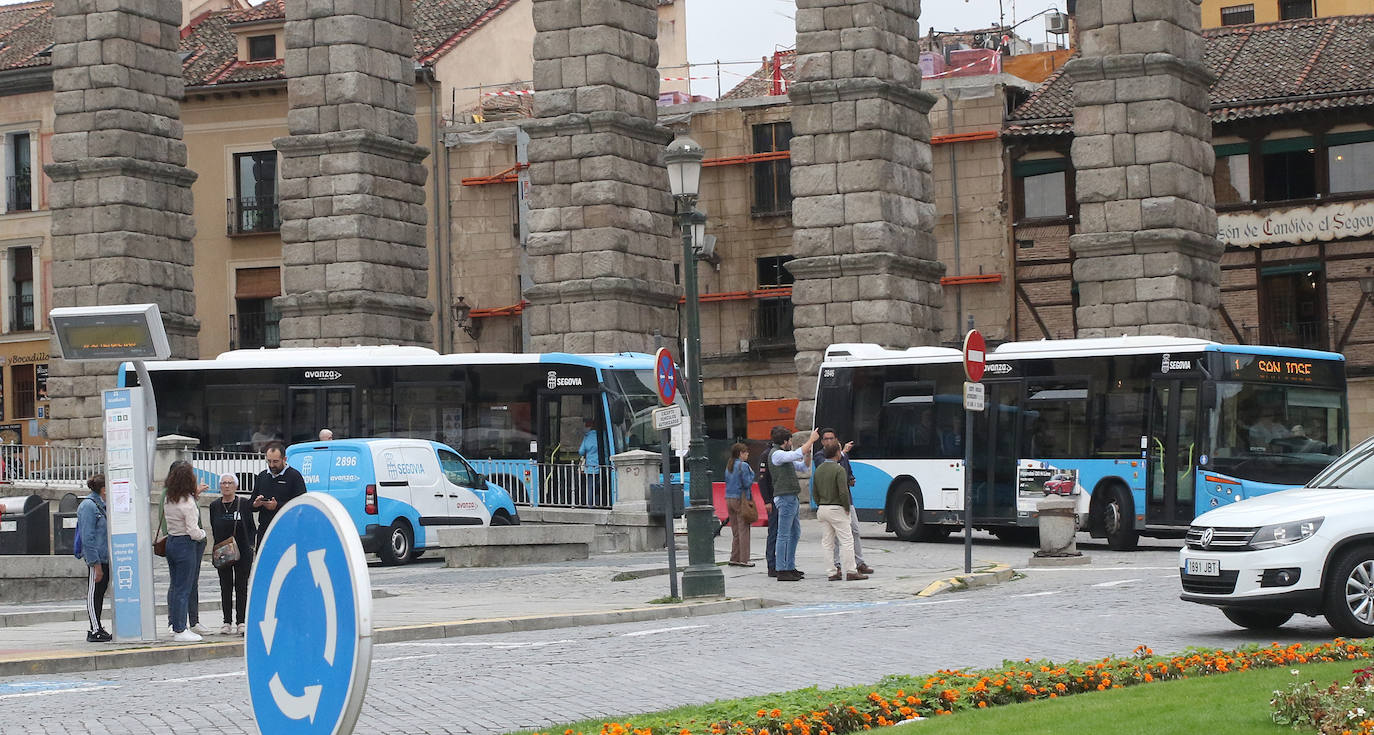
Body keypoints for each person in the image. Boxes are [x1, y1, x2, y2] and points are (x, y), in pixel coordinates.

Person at [813, 428, 874, 576]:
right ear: (822, 442)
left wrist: (820, 503)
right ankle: (849, 570)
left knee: (832, 540)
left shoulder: (822, 468)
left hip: (825, 508)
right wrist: (845, 506)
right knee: (845, 540)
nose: (829, 441)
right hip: (839, 506)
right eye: (826, 439)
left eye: (831, 438)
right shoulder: (823, 458)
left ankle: (833, 572)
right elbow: (842, 490)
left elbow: (815, 491)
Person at [164, 463, 208, 642]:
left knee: (175, 586)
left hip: (171, 541)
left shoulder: (169, 498)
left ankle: (175, 624)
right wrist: (203, 534)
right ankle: (181, 628)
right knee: (184, 587)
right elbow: (193, 530)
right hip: (185, 544)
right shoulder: (188, 503)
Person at [769, 425, 818, 582]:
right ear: (785, 441)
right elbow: (797, 454)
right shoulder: (776, 454)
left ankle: (790, 566)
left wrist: (808, 454)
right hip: (784, 498)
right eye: (790, 440)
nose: (791, 442)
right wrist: (810, 440)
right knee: (783, 535)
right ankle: (782, 569)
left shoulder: (784, 456)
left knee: (794, 533)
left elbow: (803, 467)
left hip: (792, 498)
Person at [210, 474, 256, 636]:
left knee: (241, 586)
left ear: (235, 486)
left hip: (242, 551)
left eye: (230, 483)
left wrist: (250, 546)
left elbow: (251, 526)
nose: (226, 486)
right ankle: (226, 621)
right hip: (223, 552)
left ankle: (241, 621)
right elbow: (214, 527)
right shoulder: (214, 505)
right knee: (225, 586)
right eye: (223, 483)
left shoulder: (243, 503)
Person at [251, 442, 308, 546]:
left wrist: (277, 506)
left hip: (287, 530)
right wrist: (256, 504)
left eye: (275, 462)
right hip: (265, 531)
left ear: (284, 459)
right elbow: (251, 504)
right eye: (269, 461)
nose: (272, 465)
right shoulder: (262, 476)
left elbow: (301, 505)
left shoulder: (294, 476)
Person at [77, 473, 111, 642]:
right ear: (104, 489)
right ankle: (95, 628)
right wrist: (95, 563)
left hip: (105, 557)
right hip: (96, 558)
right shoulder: (89, 506)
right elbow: (87, 537)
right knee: (94, 593)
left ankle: (98, 626)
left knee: (100, 592)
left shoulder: (102, 505)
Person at [723, 442, 756, 567]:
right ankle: (744, 559)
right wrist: (752, 473)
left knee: (736, 530)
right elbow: (747, 483)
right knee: (744, 529)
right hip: (740, 499)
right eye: (746, 452)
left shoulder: (729, 466)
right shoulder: (744, 466)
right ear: (741, 453)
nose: (747, 454)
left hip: (729, 498)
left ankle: (734, 557)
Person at [757, 434, 779, 577]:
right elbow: (762, 480)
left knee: (780, 533)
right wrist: (766, 501)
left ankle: (780, 563)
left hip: (778, 497)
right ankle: (771, 564)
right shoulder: (767, 455)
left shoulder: (779, 453)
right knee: (773, 532)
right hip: (772, 499)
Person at [578, 418, 601, 506]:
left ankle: (590, 505)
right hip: (602, 467)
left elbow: (581, 451)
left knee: (590, 487)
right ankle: (599, 503)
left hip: (590, 467)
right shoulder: (603, 435)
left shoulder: (587, 437)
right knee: (600, 487)